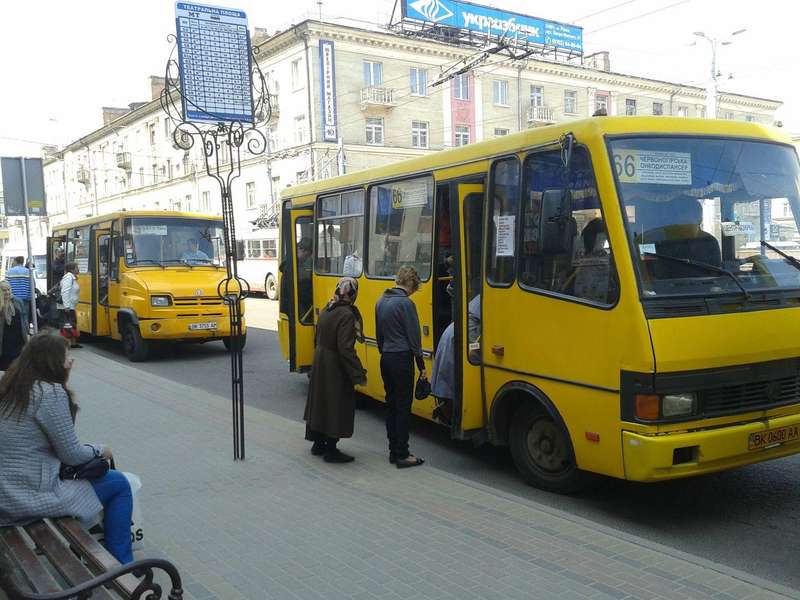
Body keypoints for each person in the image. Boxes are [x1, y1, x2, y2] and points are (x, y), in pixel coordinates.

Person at [0, 331, 133, 564]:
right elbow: (72, 455)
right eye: (65, 356)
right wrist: (101, 449)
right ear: (51, 362)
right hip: (25, 498)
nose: (71, 360)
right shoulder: (48, 393)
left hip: (6, 492)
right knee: (119, 483)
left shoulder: (10, 385)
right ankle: (124, 566)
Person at [304, 277, 367, 463]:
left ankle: (318, 444)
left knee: (321, 402)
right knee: (335, 404)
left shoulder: (328, 308)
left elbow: (317, 337)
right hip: (334, 366)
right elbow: (346, 349)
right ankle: (331, 449)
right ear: (353, 294)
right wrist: (358, 374)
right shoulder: (347, 315)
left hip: (321, 360)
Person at [375, 265, 426, 469]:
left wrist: (385, 351)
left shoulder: (381, 301)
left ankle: (393, 451)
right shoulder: (406, 304)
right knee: (404, 407)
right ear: (411, 283)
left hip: (386, 358)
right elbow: (414, 340)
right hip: (402, 360)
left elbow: (379, 336)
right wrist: (421, 366)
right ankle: (403, 454)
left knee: (392, 405)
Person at [430, 294, 481, 426]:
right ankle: (447, 413)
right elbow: (473, 348)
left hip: (452, 339)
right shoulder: (474, 320)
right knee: (451, 382)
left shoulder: (477, 304)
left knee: (448, 381)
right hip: (455, 343)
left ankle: (446, 410)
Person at [0, 281, 28, 371]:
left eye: (8, 289)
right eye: (4, 290)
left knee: (17, 367)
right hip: (4, 342)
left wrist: (27, 333)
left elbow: (24, 318)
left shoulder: (18, 301)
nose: (7, 292)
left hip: (18, 340)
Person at [59, 262, 82, 349]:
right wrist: (66, 306)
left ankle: (73, 343)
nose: (78, 269)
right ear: (72, 269)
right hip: (68, 307)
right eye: (77, 267)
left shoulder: (72, 278)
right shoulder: (68, 278)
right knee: (67, 325)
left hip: (71, 306)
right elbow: (65, 291)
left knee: (71, 324)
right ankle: (66, 344)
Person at [6, 256, 32, 328]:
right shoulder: (28, 272)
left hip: (13, 299)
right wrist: (29, 297)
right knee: (25, 317)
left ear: (15, 261)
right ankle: (25, 334)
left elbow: (6, 285)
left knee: (14, 316)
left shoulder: (9, 272)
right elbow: (32, 286)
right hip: (25, 300)